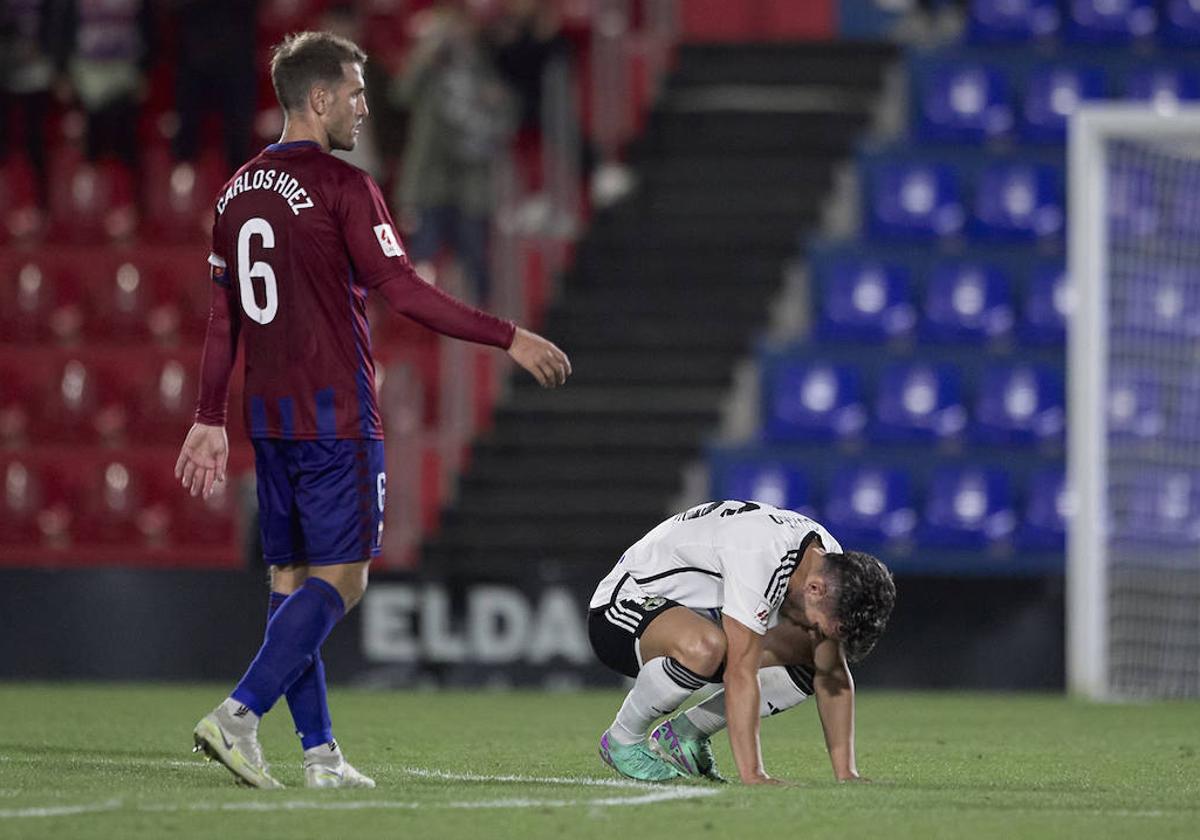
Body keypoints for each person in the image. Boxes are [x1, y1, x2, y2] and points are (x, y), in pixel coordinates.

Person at [177, 30, 571, 790]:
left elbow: (223, 319)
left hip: (271, 419)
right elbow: (406, 293)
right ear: (319, 98)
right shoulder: (344, 187)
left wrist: (207, 415)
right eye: (355, 93)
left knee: (291, 585)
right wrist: (508, 335)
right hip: (335, 416)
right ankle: (238, 715)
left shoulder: (235, 191)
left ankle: (320, 756)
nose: (365, 106)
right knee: (345, 582)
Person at [588, 500, 895, 785]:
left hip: (691, 619)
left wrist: (847, 775)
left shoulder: (828, 561)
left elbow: (833, 673)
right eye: (824, 625)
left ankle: (685, 735)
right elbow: (740, 673)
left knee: (815, 657)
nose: (822, 632)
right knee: (707, 646)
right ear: (814, 589)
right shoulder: (761, 556)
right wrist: (753, 775)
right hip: (619, 612)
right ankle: (622, 739)